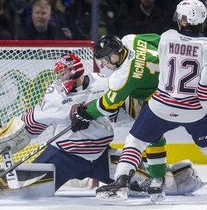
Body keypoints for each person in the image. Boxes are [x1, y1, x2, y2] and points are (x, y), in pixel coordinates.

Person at [0, 53, 205, 196]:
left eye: (65, 72)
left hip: (100, 155)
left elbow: (125, 112)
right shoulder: (55, 91)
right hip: (63, 156)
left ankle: (179, 177)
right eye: (59, 73)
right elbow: (40, 117)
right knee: (27, 191)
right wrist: (13, 136)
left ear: (77, 69)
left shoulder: (105, 83)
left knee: (143, 184)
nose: (62, 77)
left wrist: (141, 113)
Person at [94, 0, 207, 203]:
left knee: (135, 141)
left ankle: (121, 182)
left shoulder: (166, 37)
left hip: (162, 106)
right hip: (195, 110)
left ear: (181, 20)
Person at [70, 33, 171, 202]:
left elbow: (108, 104)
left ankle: (139, 180)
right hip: (175, 88)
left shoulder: (122, 76)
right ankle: (157, 179)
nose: (103, 65)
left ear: (114, 55)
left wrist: (86, 113)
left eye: (104, 60)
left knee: (142, 136)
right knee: (205, 139)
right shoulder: (131, 40)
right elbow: (160, 40)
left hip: (163, 99)